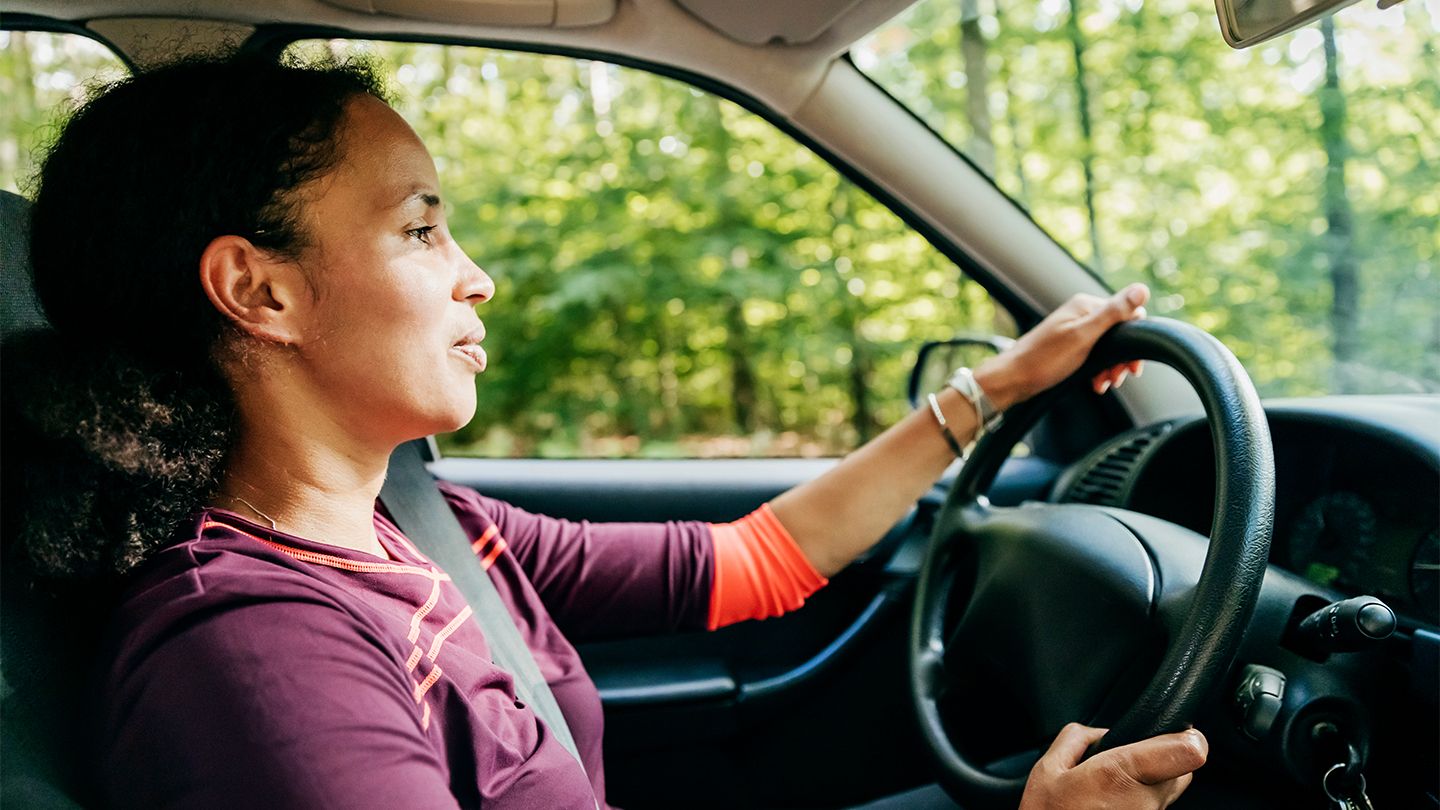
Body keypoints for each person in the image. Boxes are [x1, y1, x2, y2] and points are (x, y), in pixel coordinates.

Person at [8, 53, 1205, 809]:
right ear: (258, 290)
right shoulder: (259, 658)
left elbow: (756, 564)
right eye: (422, 230)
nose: (477, 278)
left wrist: (991, 389)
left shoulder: (422, 528)